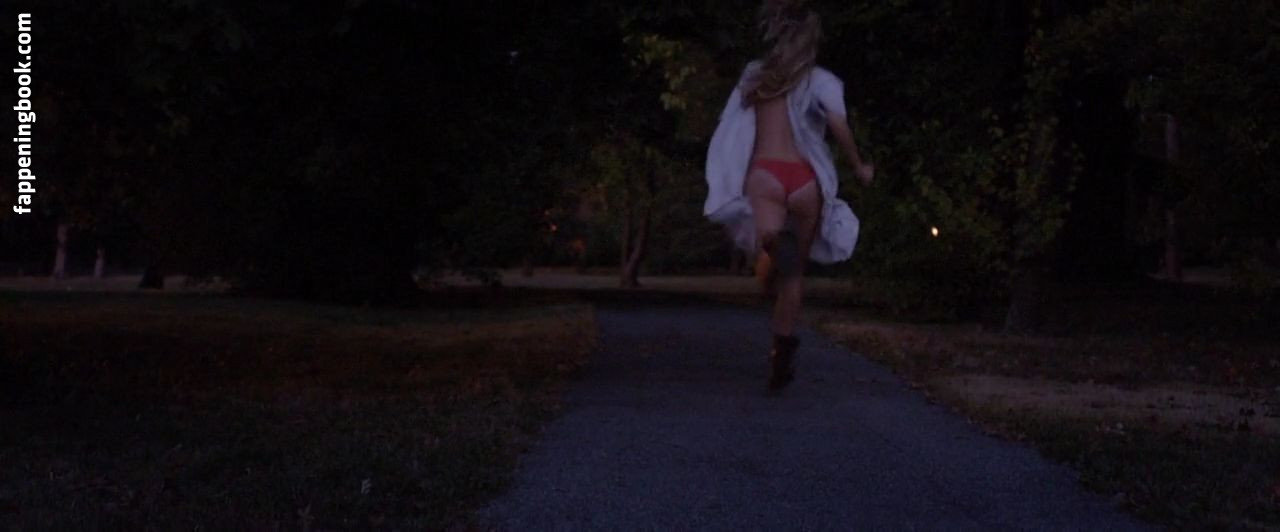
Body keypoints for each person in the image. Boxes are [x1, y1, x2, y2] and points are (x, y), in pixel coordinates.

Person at [704, 0, 874, 391]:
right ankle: (782, 352)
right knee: (794, 277)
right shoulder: (821, 80)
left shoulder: (755, 74)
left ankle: (771, 245)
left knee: (770, 240)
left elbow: (731, 122)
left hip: (765, 173)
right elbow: (839, 125)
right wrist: (859, 166)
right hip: (804, 181)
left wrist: (728, 171)